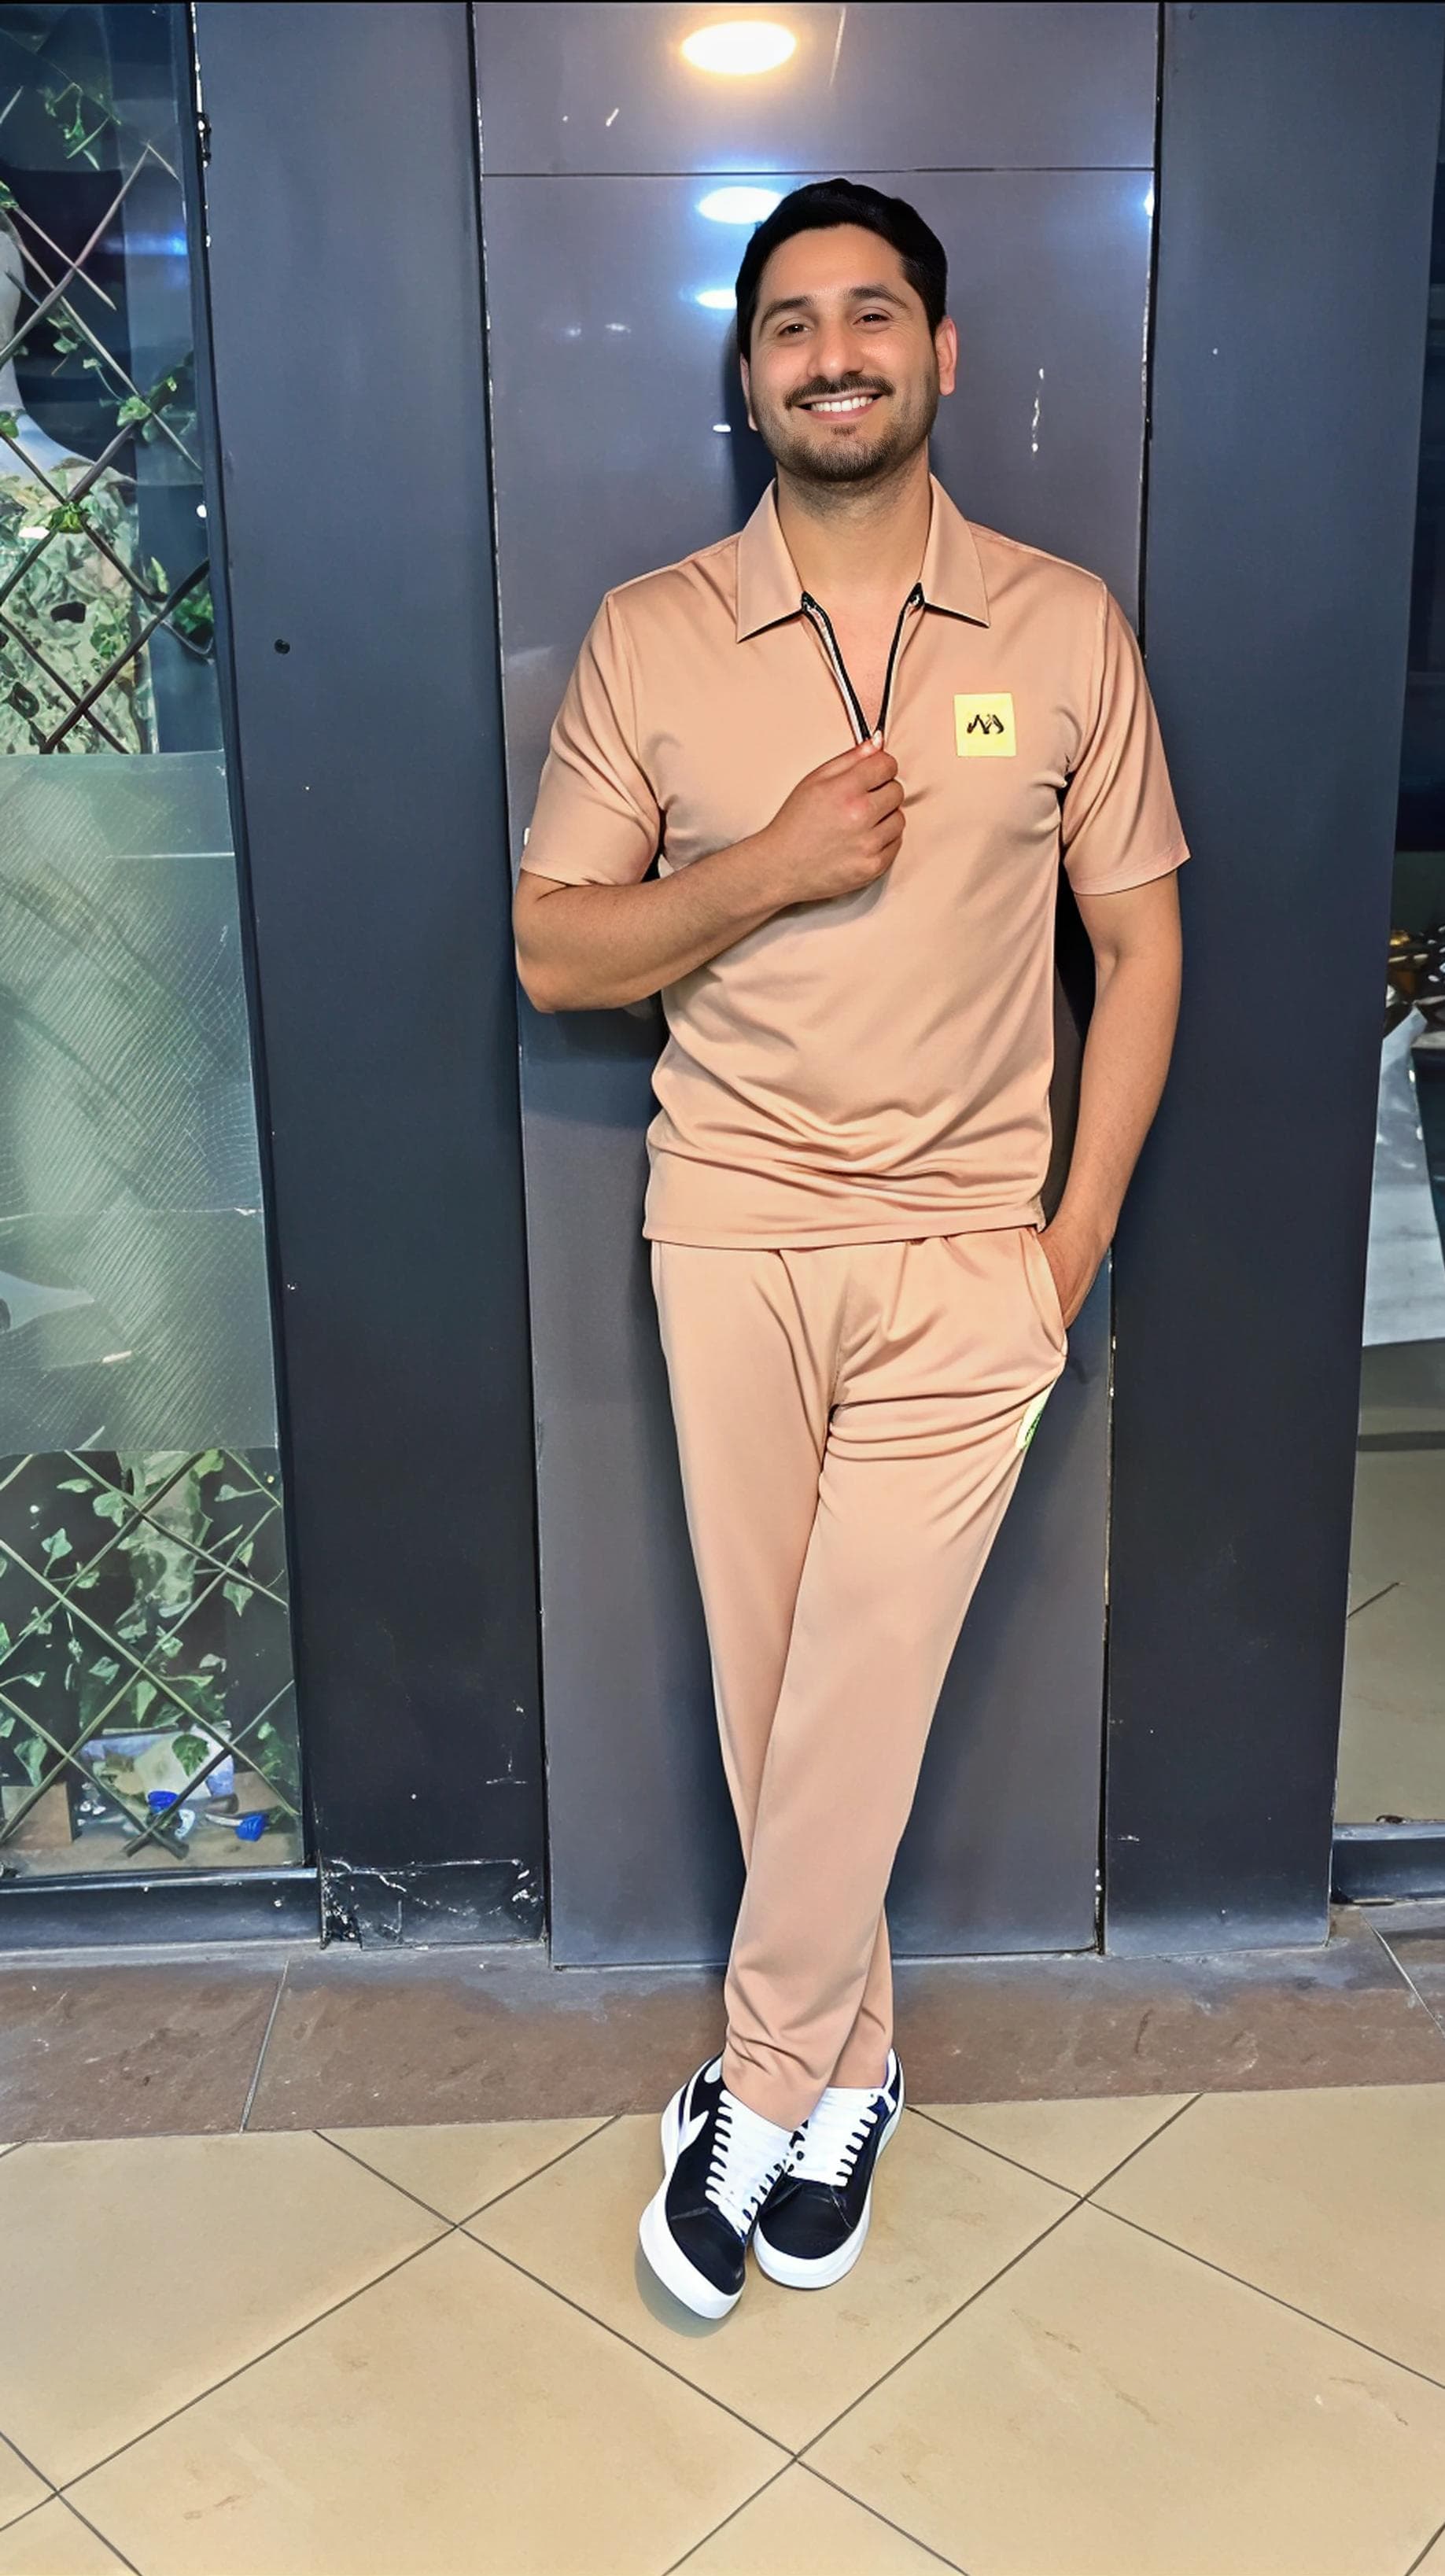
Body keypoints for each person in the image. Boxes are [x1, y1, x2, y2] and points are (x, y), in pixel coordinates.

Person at [513, 179, 1187, 2321]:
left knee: (858, 1679)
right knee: (787, 1704)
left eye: (872, 314)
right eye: (791, 323)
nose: (834, 354)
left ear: (941, 353)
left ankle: (753, 2086)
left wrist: (1068, 1245)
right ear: (749, 375)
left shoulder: (1060, 628)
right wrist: (773, 866)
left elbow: (1141, 945)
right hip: (729, 1234)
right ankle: (858, 2067)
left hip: (969, 1258)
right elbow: (555, 948)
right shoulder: (650, 634)